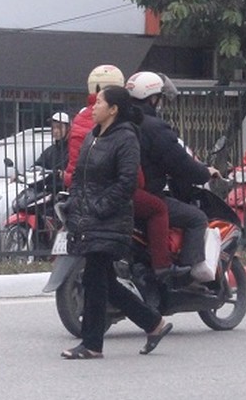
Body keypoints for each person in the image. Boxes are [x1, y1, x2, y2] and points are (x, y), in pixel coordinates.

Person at [60, 86, 173, 359]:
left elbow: (127, 182)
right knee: (103, 281)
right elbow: (79, 176)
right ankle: (153, 323)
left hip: (109, 219)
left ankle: (92, 344)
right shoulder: (92, 137)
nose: (94, 106)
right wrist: (75, 202)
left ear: (113, 110)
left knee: (95, 279)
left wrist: (100, 207)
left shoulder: (125, 138)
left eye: (100, 102)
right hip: (88, 218)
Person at [64, 65, 181, 281]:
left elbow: (78, 169)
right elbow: (127, 178)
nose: (97, 106)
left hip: (80, 190)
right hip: (104, 194)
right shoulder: (119, 127)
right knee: (158, 209)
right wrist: (103, 203)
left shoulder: (81, 118)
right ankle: (162, 267)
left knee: (102, 282)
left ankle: (151, 315)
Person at [126, 71, 221, 282]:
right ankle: (186, 274)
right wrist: (205, 172)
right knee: (197, 218)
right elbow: (180, 163)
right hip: (144, 191)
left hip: (118, 190)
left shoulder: (120, 120)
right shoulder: (153, 126)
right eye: (159, 98)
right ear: (152, 98)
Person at [33, 112, 71, 178]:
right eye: (53, 127)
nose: (55, 131)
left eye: (59, 127)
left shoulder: (73, 150)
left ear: (68, 128)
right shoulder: (50, 151)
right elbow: (37, 165)